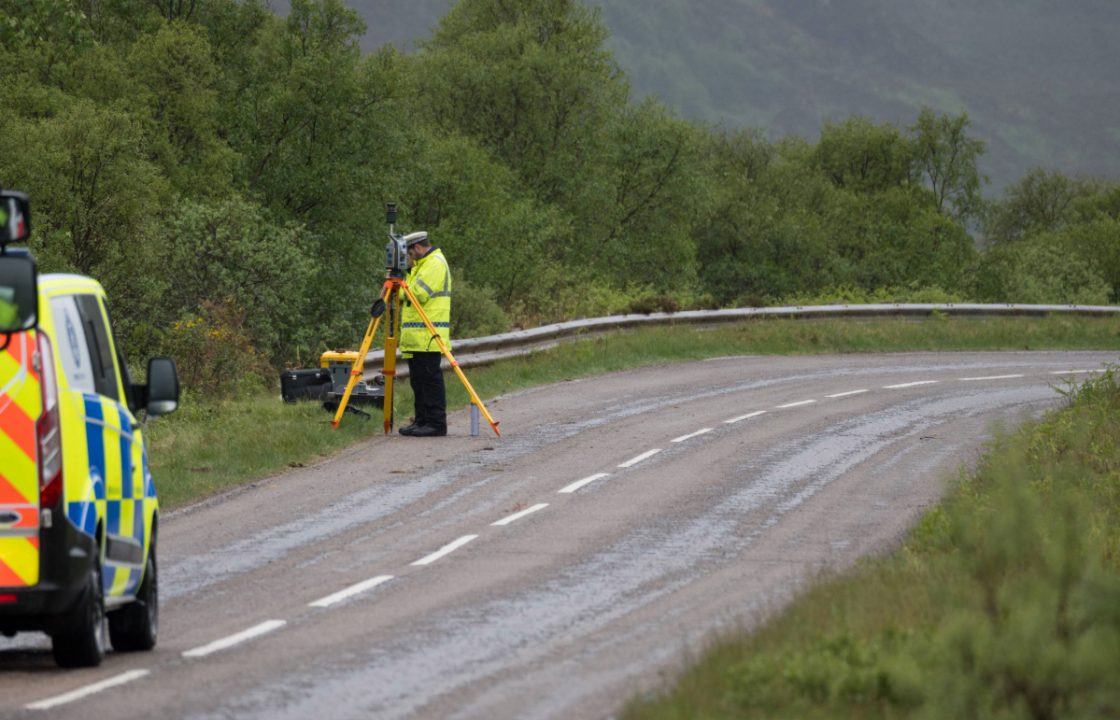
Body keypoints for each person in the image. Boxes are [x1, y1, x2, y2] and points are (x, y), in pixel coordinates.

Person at [398, 231, 451, 437]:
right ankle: (421, 421)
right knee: (418, 382)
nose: (407, 258)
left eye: (409, 254)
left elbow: (416, 294)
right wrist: (410, 270)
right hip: (417, 339)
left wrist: (398, 291)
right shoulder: (420, 266)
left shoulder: (435, 264)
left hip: (430, 336)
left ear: (418, 248)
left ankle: (436, 424)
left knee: (430, 381)